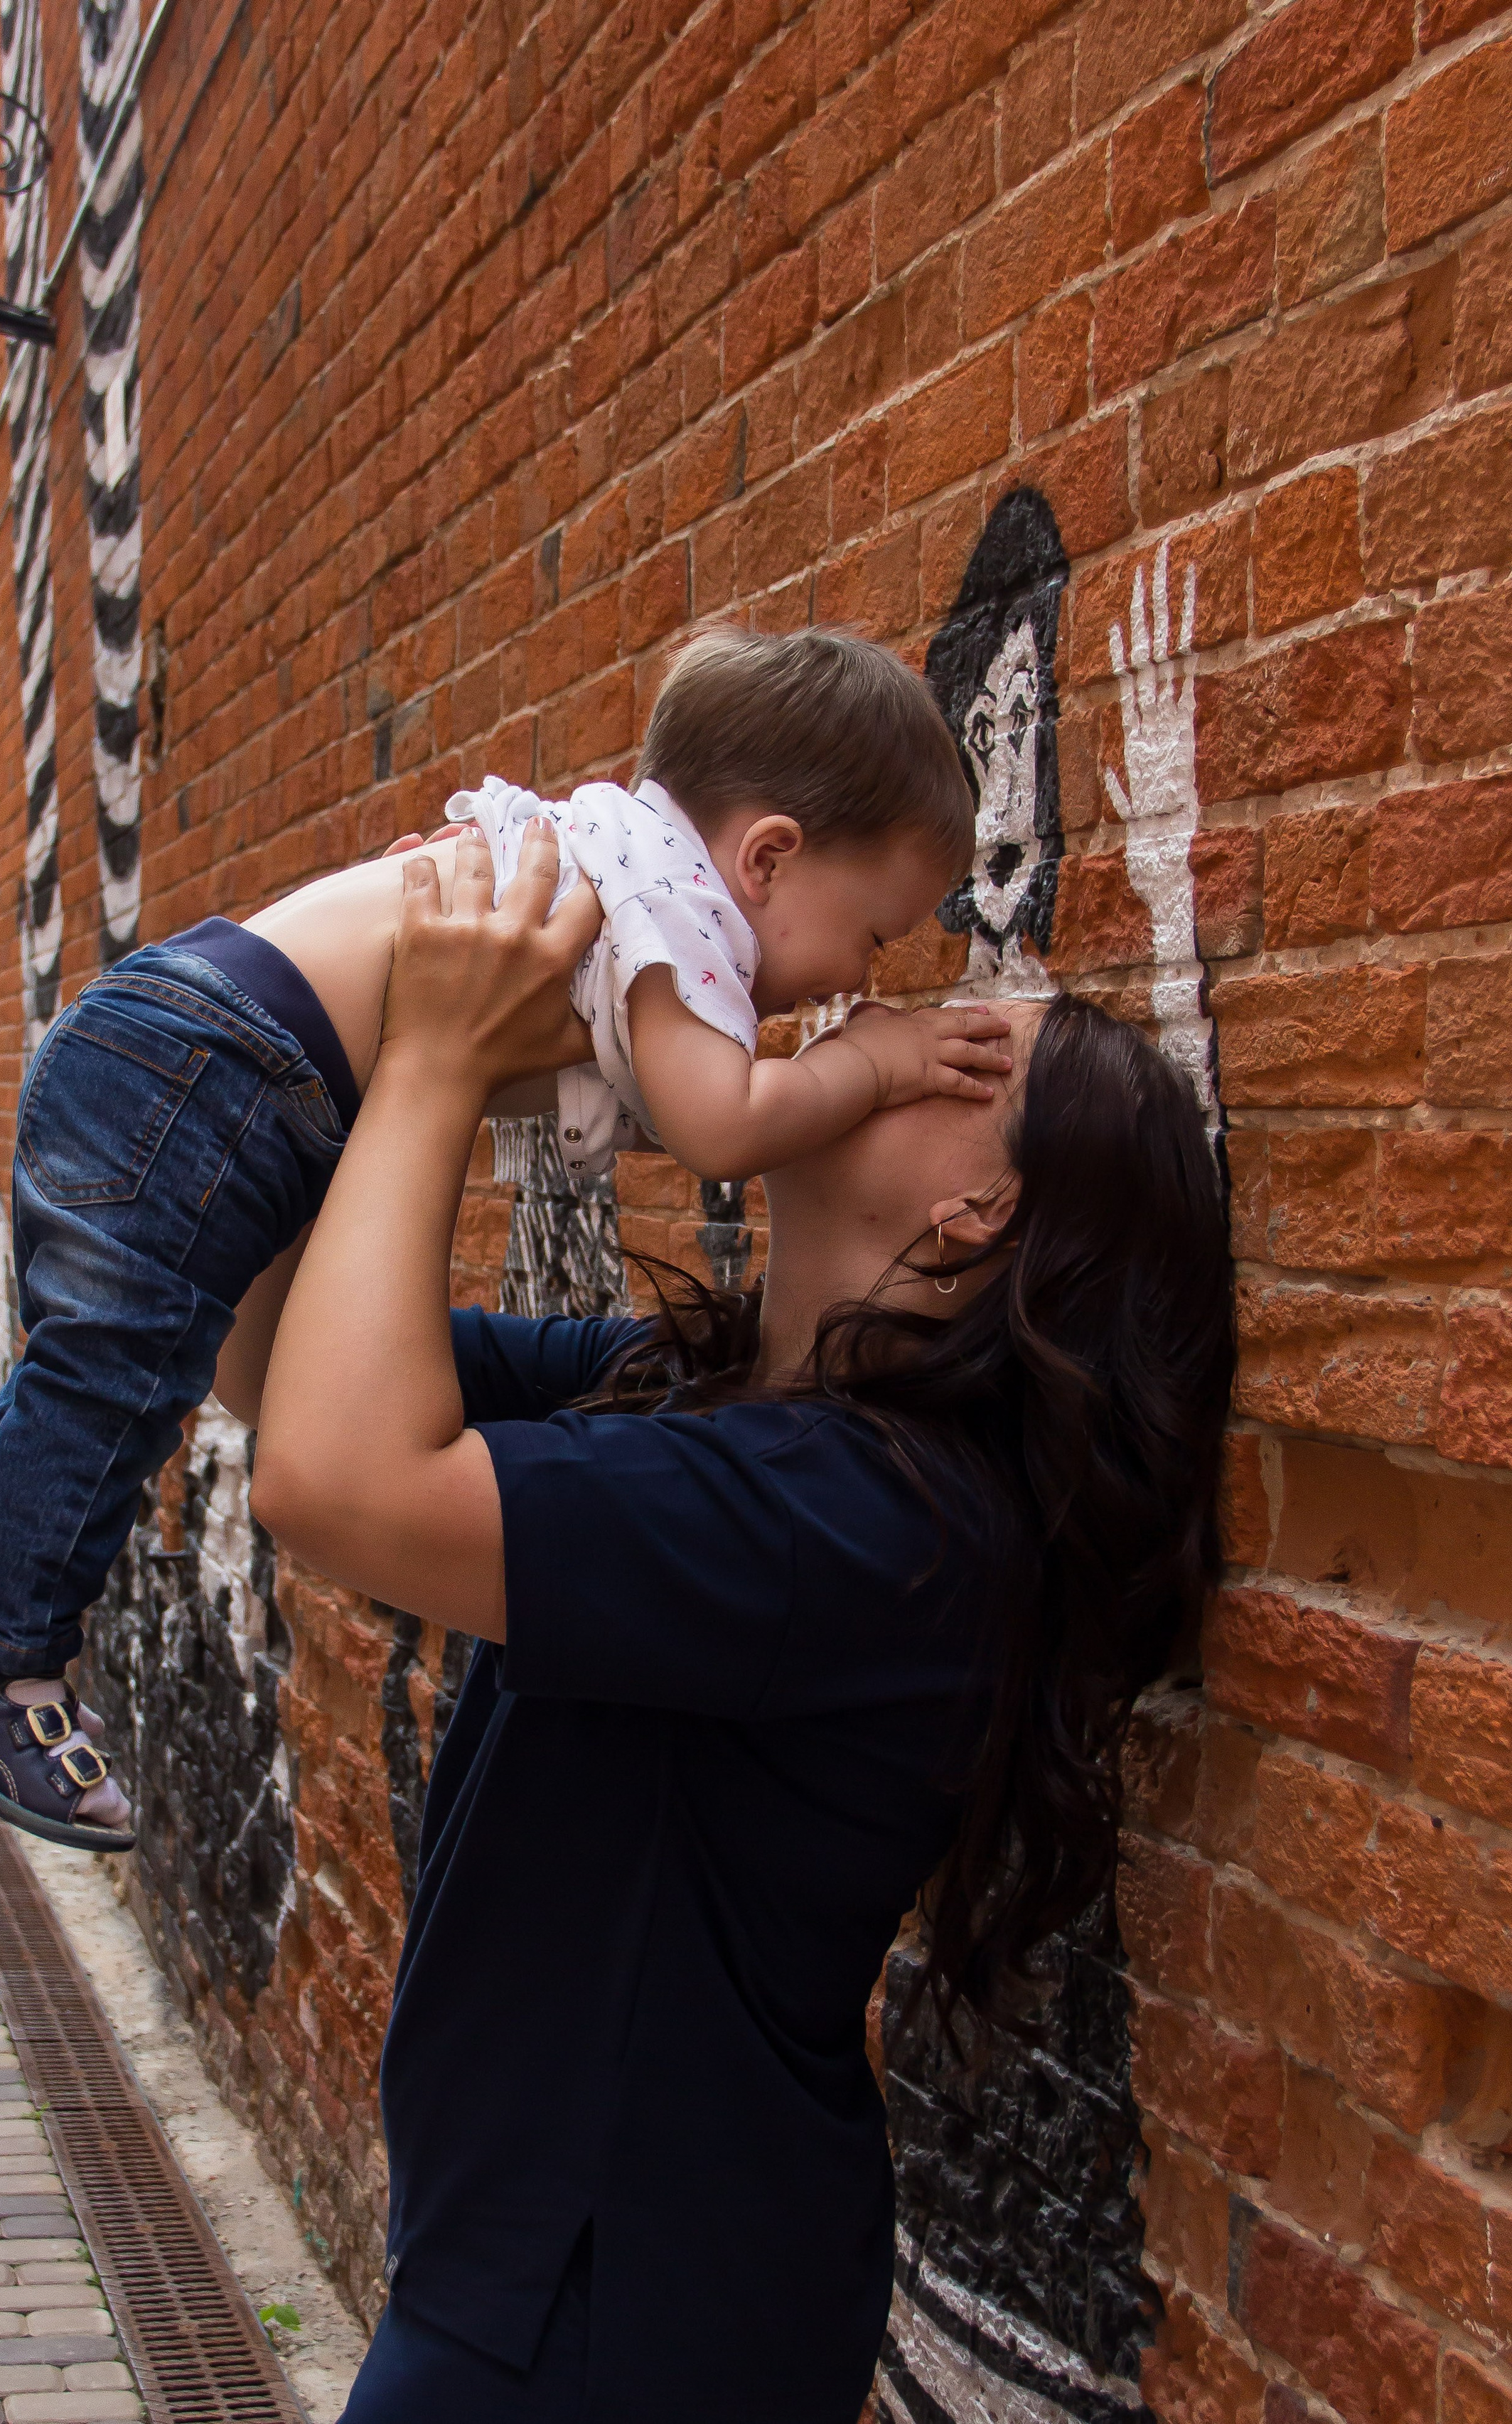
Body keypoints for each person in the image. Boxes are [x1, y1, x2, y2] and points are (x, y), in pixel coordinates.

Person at [230, 825, 1235, 2422]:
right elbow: (268, 1355)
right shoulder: (685, 1385)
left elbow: (334, 1479)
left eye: (960, 1048)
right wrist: (366, 1027)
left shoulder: (869, 1522)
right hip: (549, 2263)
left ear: (979, 1209)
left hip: (624, 2308)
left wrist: (431, 1059)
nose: (877, 1018)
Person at [0, 627, 1011, 1850]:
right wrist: (876, 1063)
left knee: (90, 1366)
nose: (854, 984)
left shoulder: (622, 863)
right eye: (873, 935)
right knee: (115, 1379)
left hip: (178, 1039)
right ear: (768, 856)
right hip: (218, 1069)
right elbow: (723, 1125)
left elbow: (634, 1103)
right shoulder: (675, 915)